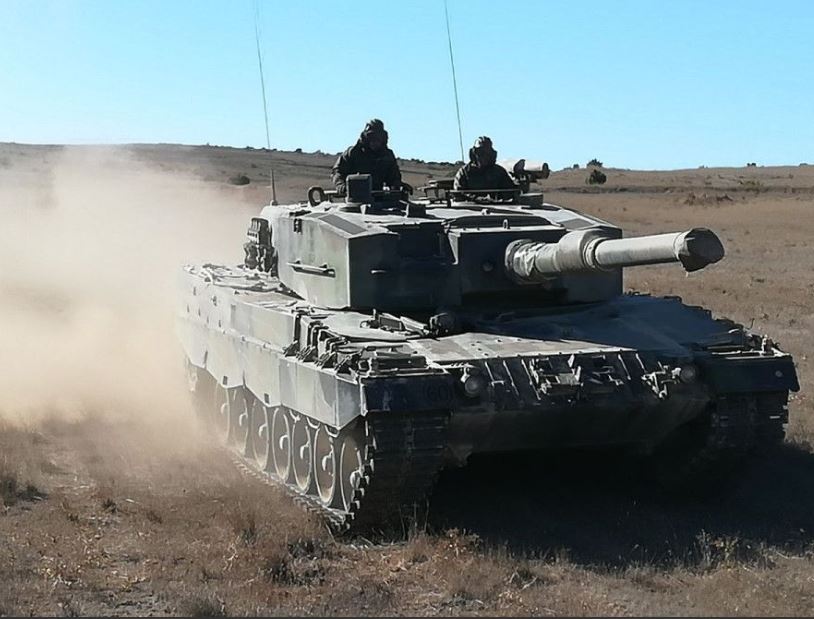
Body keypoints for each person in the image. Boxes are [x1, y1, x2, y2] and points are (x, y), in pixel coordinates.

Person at [331, 119, 403, 195]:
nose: (374, 141)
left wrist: (397, 186)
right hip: (355, 197)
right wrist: (341, 185)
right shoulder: (353, 153)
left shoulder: (387, 156)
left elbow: (394, 177)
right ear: (365, 138)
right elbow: (338, 171)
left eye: (378, 138)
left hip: (379, 197)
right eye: (371, 138)